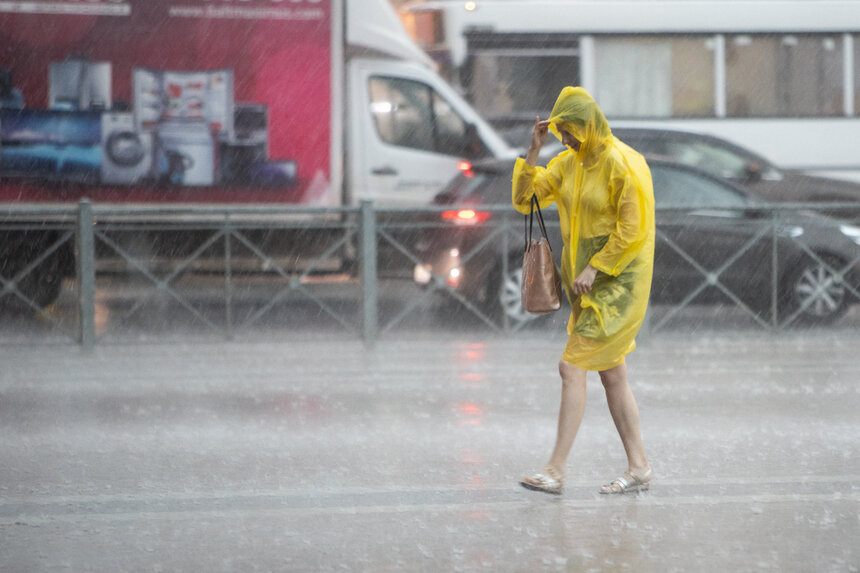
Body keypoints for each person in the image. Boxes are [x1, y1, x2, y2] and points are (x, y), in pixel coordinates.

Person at [513, 87, 656, 495]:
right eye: (561, 134)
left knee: (571, 367)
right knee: (613, 375)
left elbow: (634, 229)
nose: (568, 140)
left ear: (590, 125)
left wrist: (597, 266)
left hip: (618, 287)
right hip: (586, 289)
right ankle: (640, 466)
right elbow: (525, 199)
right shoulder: (567, 164)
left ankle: (555, 469)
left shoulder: (622, 165)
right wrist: (535, 149)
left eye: (572, 131)